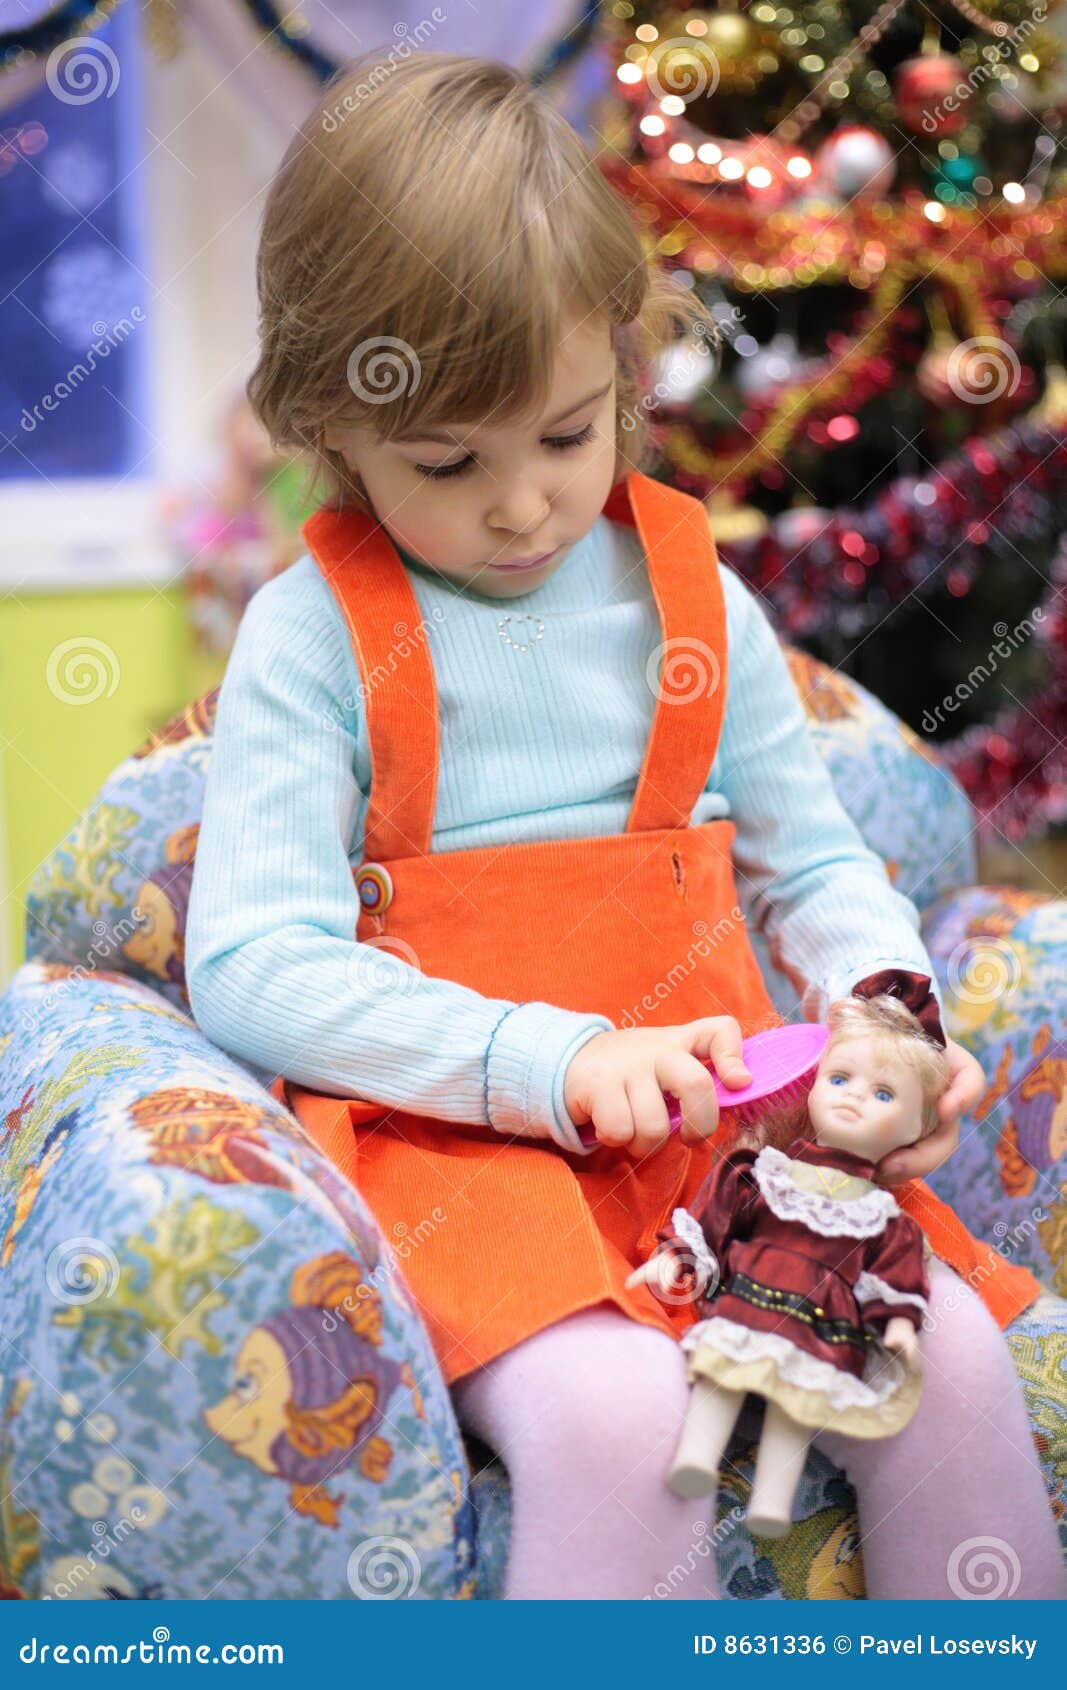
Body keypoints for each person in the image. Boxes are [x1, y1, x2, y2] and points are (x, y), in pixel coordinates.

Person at [185, 49, 1063, 1600]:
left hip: (727, 1146)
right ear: (332, 419)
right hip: (464, 1153)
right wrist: (552, 1058)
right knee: (622, 1416)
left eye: (567, 432)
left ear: (623, 367)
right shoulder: (313, 634)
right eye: (448, 462)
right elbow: (252, 961)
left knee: (948, 1358)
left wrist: (887, 1011)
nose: (525, 504)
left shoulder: (691, 600)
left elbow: (818, 865)